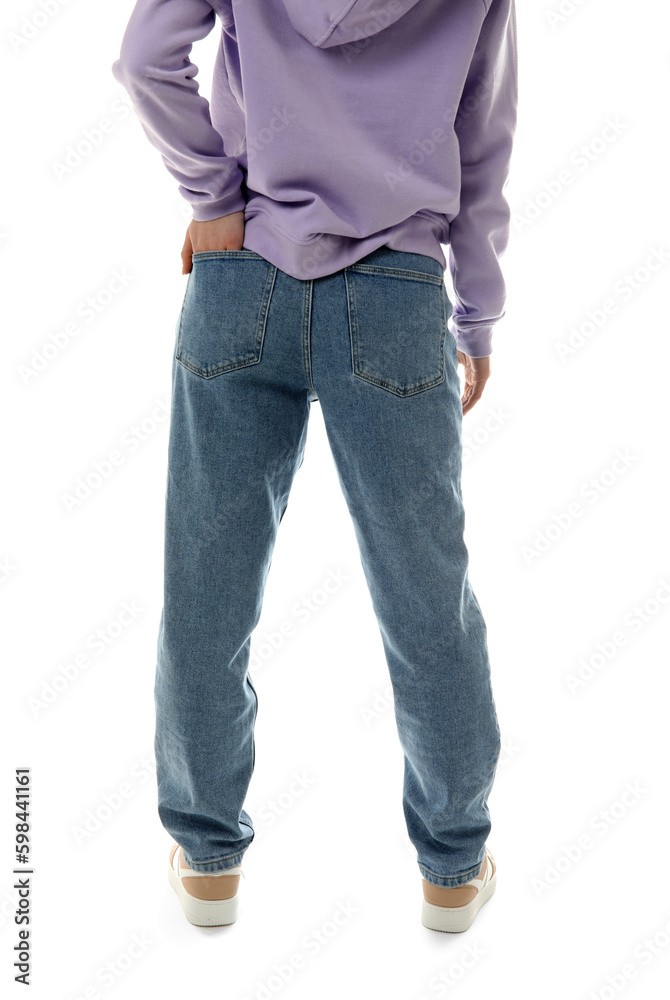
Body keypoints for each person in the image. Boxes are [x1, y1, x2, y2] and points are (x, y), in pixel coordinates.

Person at [111, 0, 518, 932]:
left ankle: (208, 860)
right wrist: (478, 314)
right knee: (428, 596)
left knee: (207, 586)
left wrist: (213, 197)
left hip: (242, 266)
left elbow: (144, 59)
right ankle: (453, 868)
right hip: (397, 287)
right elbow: (482, 138)